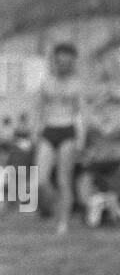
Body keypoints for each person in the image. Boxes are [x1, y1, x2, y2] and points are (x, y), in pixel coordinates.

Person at [35, 41, 87, 234]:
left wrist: (81, 139)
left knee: (63, 179)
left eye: (67, 62)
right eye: (60, 62)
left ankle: (63, 222)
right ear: (55, 61)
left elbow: (82, 113)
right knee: (41, 180)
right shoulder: (46, 82)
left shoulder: (77, 84)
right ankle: (58, 204)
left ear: (72, 63)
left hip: (68, 131)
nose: (63, 66)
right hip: (49, 130)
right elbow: (38, 109)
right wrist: (35, 132)